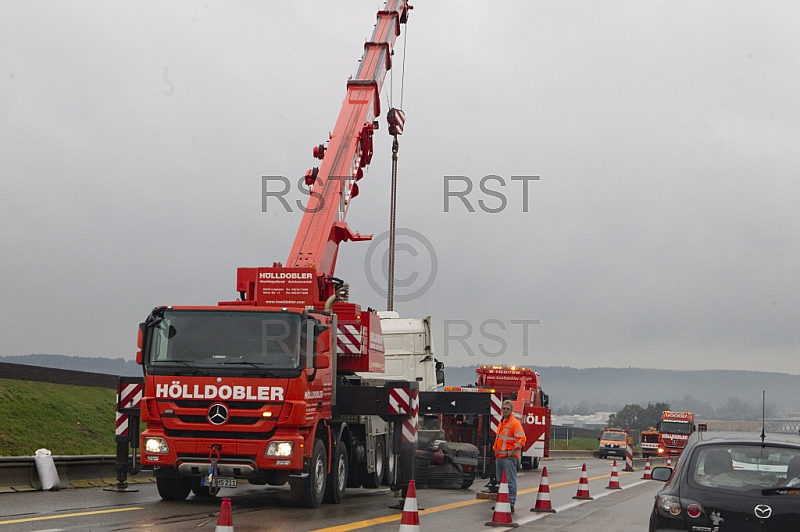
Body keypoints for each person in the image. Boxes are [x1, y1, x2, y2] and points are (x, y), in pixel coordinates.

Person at [493, 399, 526, 513]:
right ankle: (502, 502)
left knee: (510, 481)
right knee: (500, 482)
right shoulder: (501, 422)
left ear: (511, 410)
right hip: (499, 457)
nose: (505, 410)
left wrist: (511, 452)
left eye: (507, 409)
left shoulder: (514, 423)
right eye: (504, 408)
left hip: (508, 458)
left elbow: (522, 439)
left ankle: (510, 503)